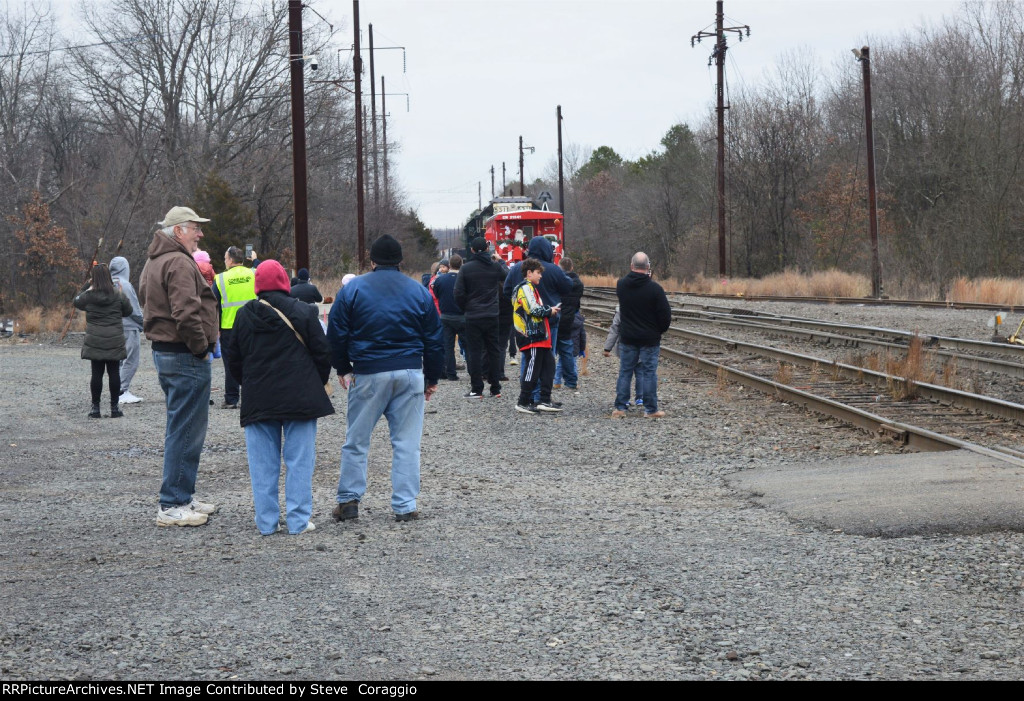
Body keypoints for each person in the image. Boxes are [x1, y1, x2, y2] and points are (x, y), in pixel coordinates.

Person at [327, 234, 443, 522]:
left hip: (368, 371)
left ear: (372, 260)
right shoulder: (419, 291)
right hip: (409, 371)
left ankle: (349, 501)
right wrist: (432, 377)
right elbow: (434, 338)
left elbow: (337, 333)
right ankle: (405, 506)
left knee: (356, 440)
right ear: (400, 260)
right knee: (406, 443)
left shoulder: (353, 289)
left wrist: (343, 368)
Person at [227, 260, 334, 536]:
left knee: (263, 464)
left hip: (259, 397)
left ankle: (266, 522)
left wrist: (248, 383)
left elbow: (233, 359)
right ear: (285, 283)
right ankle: (298, 521)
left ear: (257, 285)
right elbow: (323, 353)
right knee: (300, 461)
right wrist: (318, 381)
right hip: (301, 396)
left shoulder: (243, 315)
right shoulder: (304, 311)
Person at [138, 206, 219, 527]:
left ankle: (182, 496)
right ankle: (172, 503)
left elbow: (146, 299)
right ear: (178, 231)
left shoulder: (155, 261)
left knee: (182, 426)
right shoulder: (178, 262)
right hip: (184, 354)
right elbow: (186, 313)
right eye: (195, 228)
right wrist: (202, 349)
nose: (200, 234)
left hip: (168, 351)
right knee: (186, 429)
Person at [503, 236, 572, 401]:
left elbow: (506, 290)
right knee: (546, 360)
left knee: (528, 358)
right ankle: (540, 396)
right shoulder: (554, 269)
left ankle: (526, 393)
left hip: (524, 324)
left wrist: (518, 306)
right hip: (549, 323)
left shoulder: (516, 268)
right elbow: (568, 286)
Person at [612, 252, 672, 419]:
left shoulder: (621, 285)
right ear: (648, 268)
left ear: (632, 266)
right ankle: (651, 409)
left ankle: (620, 408)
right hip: (650, 339)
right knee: (649, 373)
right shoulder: (655, 289)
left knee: (625, 371)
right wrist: (658, 331)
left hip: (628, 337)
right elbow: (665, 316)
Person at [74, 263, 133, 418]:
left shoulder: (89, 296)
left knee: (96, 374)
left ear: (94, 278)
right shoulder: (117, 294)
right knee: (114, 373)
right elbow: (129, 310)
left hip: (95, 340)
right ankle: (114, 408)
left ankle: (95, 409)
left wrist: (87, 284)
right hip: (114, 339)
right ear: (109, 276)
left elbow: (76, 301)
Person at [454, 237, 507, 399]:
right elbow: (508, 277)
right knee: (494, 350)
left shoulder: (466, 268)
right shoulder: (495, 267)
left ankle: (477, 389)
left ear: (471, 250)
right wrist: (500, 260)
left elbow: (458, 293)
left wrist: (465, 308)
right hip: (492, 315)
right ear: (487, 249)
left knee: (475, 352)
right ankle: (495, 387)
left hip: (473, 316)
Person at [511, 258, 561, 414]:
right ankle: (523, 401)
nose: (540, 276)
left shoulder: (530, 288)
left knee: (548, 366)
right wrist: (549, 311)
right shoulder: (525, 288)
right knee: (533, 369)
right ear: (529, 273)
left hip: (539, 336)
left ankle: (544, 400)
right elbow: (533, 309)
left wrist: (547, 309)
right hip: (531, 336)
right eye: (538, 273)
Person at [214, 246, 257, 409]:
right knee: (252, 361)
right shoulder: (253, 274)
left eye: (225, 258)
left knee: (231, 363)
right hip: (252, 325)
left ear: (231, 260)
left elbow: (215, 306)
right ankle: (251, 397)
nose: (225, 261)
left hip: (229, 327)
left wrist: (216, 329)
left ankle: (231, 399)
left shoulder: (220, 279)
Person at [109, 256, 145, 404]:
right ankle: (122, 391)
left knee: (117, 361)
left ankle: (117, 389)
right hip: (129, 327)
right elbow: (134, 309)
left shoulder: (106, 284)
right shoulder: (125, 285)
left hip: (112, 327)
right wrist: (143, 323)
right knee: (130, 359)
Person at [431, 253, 465, 381]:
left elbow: (436, 294)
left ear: (449, 265)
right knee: (468, 345)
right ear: (461, 265)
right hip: (462, 316)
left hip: (445, 317)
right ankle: (474, 372)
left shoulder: (439, 280)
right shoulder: (464, 279)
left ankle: (451, 373)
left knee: (448, 346)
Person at [553, 256, 584, 390]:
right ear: (572, 267)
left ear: (560, 267)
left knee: (552, 350)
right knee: (567, 351)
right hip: (571, 318)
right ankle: (571, 380)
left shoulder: (557, 282)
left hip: (556, 316)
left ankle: (554, 379)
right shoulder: (579, 284)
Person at [603, 305, 643, 406]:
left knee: (625, 373)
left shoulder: (621, 308)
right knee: (641, 372)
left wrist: (607, 348)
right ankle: (641, 398)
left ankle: (624, 399)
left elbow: (615, 329)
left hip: (626, 344)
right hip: (643, 343)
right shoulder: (647, 304)